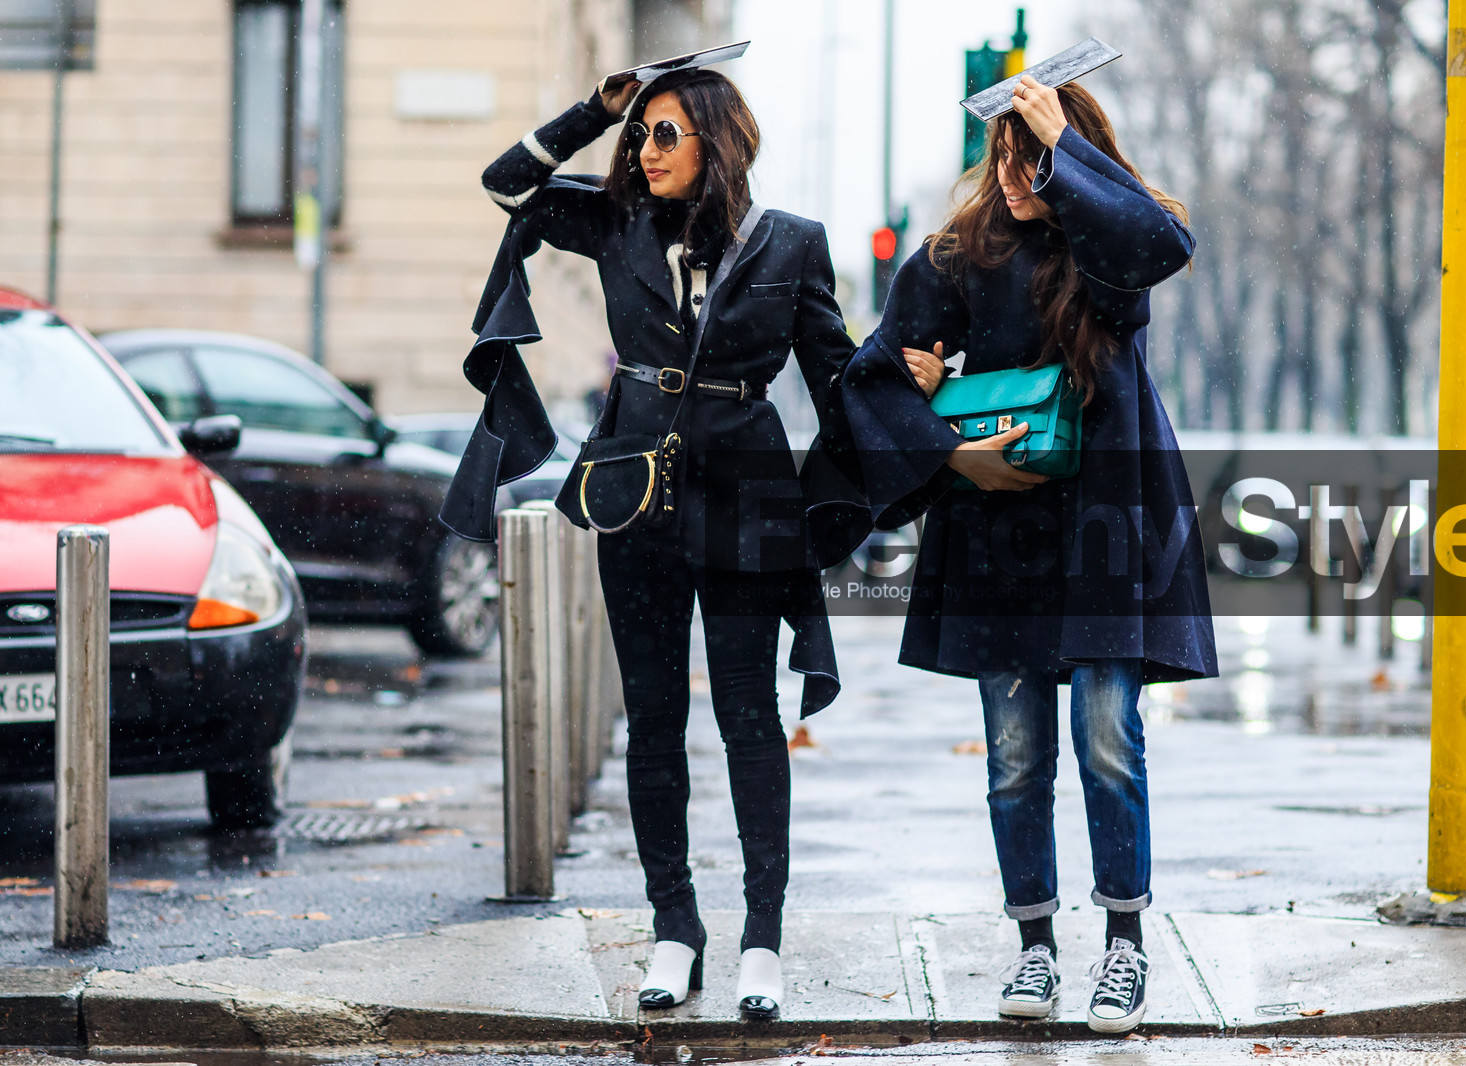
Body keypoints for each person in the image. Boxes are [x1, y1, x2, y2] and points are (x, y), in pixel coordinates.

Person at [469, 67, 861, 1022]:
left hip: (746, 498)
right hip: (634, 493)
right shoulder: (616, 223)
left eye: (664, 135)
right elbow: (505, 184)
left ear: (716, 144)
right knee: (651, 722)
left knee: (749, 720)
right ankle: (674, 927)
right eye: (639, 134)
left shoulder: (791, 245)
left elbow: (838, 376)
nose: (644, 150)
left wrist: (922, 395)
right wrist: (596, 111)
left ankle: (760, 937)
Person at [840, 73, 1217, 1034]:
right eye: (1005, 152)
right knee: (1014, 758)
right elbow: (873, 374)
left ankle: (1124, 949)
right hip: (998, 528)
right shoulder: (956, 255)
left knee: (1105, 741)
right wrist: (946, 444)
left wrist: (1067, 155)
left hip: (1105, 523)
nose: (1014, 173)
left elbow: (1161, 244)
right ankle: (1035, 950)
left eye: (1033, 154)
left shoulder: (1106, 244)